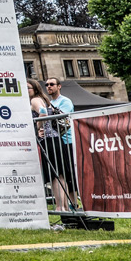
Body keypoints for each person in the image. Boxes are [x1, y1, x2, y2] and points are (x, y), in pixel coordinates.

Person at [43, 77, 78, 210]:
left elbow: (62, 120)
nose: (48, 86)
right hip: (57, 142)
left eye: (52, 84)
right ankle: (66, 205)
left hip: (67, 140)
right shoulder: (49, 102)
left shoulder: (65, 101)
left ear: (59, 86)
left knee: (70, 174)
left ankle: (74, 204)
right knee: (62, 174)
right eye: (46, 84)